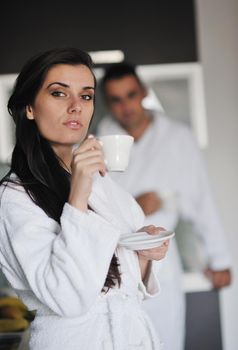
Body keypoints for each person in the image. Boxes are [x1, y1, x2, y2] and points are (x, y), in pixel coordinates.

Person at [0, 49, 170, 350]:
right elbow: (67, 298)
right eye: (59, 93)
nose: (76, 106)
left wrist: (144, 254)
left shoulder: (102, 181)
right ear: (29, 107)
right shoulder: (14, 196)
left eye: (87, 96)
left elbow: (126, 285)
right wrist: (77, 195)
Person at [97, 63, 232, 350]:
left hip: (159, 261)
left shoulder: (177, 138)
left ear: (144, 93)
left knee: (164, 342)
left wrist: (219, 260)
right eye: (116, 100)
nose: (126, 106)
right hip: (111, 260)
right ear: (108, 104)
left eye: (131, 95)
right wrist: (136, 204)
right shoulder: (100, 139)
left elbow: (200, 200)